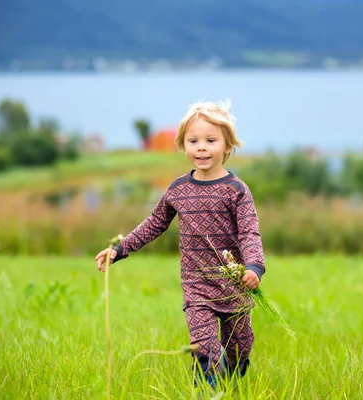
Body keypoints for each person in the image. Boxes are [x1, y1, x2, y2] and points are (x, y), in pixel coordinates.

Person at [94, 99, 266, 389]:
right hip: (196, 285)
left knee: (239, 346)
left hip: (233, 284)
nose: (201, 147)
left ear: (227, 146)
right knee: (206, 349)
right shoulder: (177, 190)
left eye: (211, 140)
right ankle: (206, 391)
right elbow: (153, 224)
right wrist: (119, 249)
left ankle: (235, 376)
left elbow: (250, 232)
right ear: (183, 145)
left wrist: (254, 267)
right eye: (193, 140)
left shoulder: (236, 190)